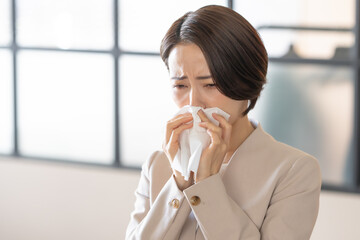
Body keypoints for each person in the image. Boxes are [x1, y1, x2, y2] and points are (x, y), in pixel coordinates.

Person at [126, 5, 321, 240]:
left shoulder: (294, 171)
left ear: (247, 82)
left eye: (210, 85)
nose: (194, 102)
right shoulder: (158, 164)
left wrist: (207, 185)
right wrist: (178, 184)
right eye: (180, 85)